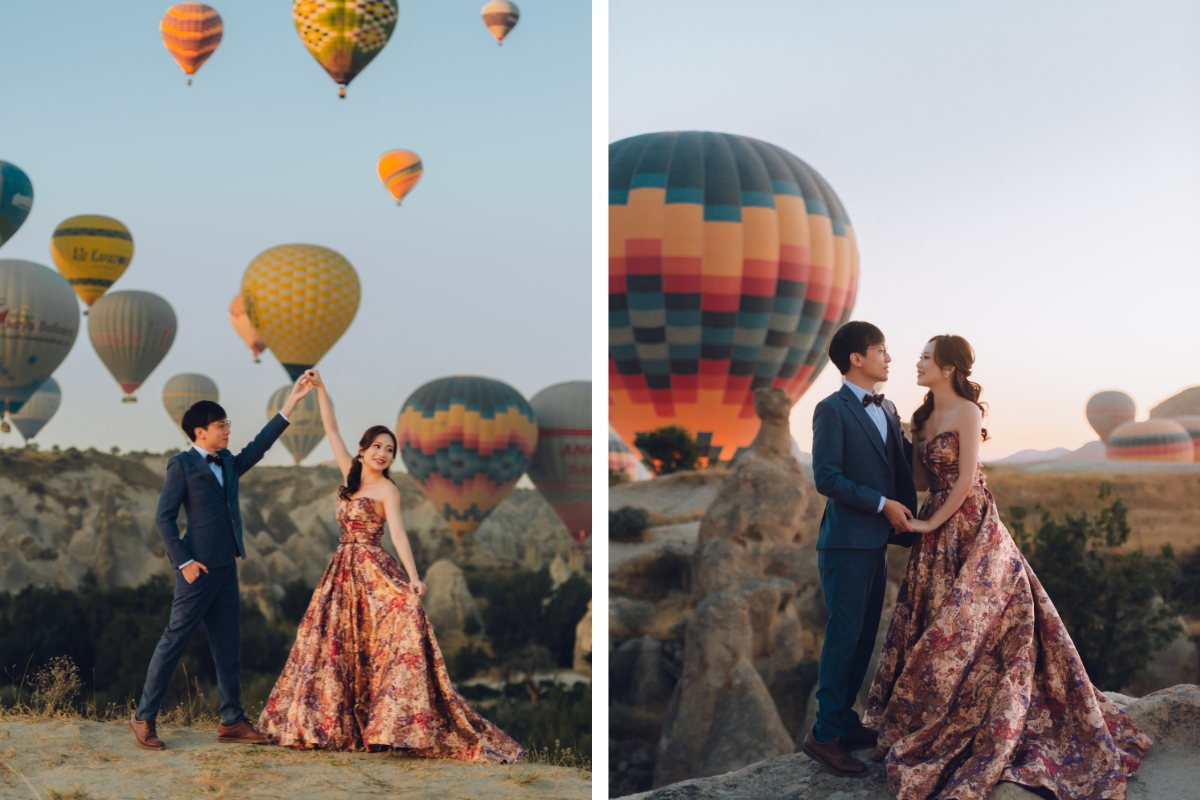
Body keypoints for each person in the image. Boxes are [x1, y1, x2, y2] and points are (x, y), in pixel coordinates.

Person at [861, 335, 1150, 799]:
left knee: (987, 621)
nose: (915, 363)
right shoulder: (921, 416)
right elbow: (921, 479)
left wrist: (933, 520)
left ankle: (1000, 711)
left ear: (949, 367)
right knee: (938, 620)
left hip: (971, 522)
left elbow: (967, 479)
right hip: (935, 531)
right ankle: (937, 712)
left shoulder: (968, 413)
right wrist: (899, 442)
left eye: (925, 357)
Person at [257, 369, 524, 762]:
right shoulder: (350, 476)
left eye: (390, 450)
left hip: (373, 567)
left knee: (402, 622)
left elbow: (399, 535)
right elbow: (330, 429)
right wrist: (318, 391)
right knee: (331, 645)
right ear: (363, 450)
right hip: (342, 572)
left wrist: (414, 579)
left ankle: (392, 725)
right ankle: (332, 725)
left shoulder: (387, 489)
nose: (383, 453)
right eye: (378, 446)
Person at [129, 374, 314, 751]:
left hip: (228, 566)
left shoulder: (228, 461)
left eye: (227, 424)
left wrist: (291, 402)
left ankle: (232, 720)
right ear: (201, 432)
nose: (228, 430)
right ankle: (143, 718)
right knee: (174, 642)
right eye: (221, 425)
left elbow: (259, 447)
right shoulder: (180, 466)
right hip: (197, 571)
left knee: (228, 644)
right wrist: (184, 563)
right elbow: (164, 518)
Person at [803, 321, 919, 777]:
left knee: (865, 636)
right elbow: (826, 478)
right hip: (845, 542)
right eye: (881, 350)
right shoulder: (830, 410)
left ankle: (846, 721)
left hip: (876, 541)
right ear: (857, 358)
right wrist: (881, 504)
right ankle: (824, 735)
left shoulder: (887, 407)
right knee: (844, 636)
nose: (888, 359)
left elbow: (900, 464)